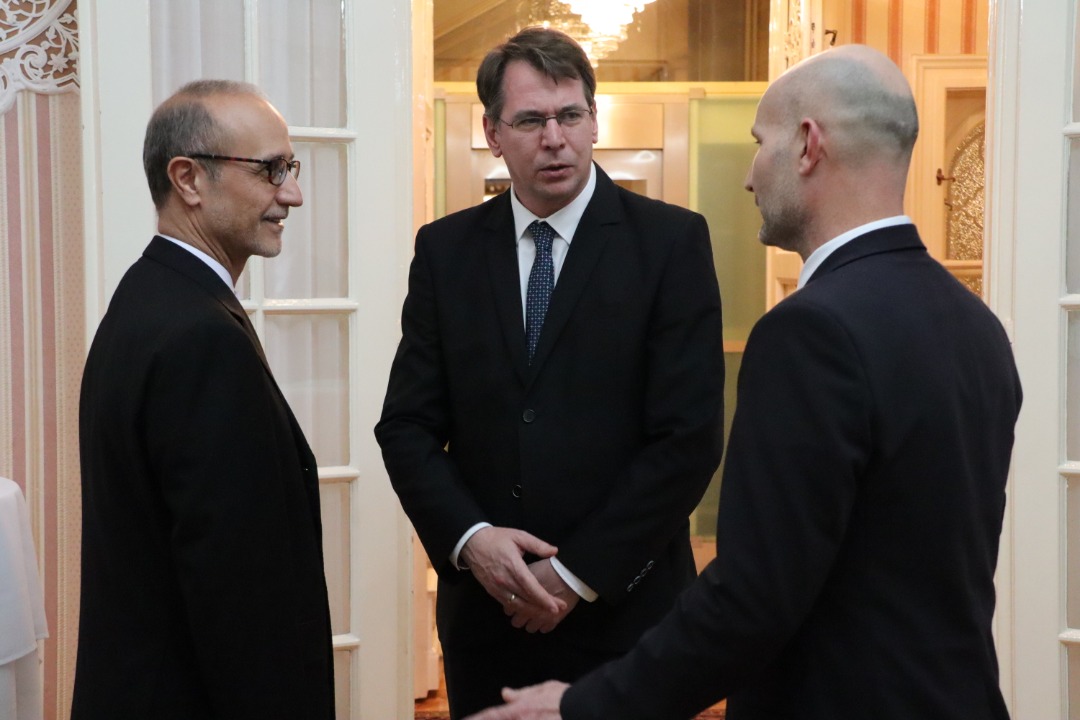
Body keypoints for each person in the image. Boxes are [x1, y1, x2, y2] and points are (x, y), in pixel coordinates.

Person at [465, 43, 1023, 720]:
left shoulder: (811, 331)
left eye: (760, 144)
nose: (750, 177)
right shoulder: (975, 323)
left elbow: (754, 595)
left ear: (808, 146)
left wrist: (583, 705)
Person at [375, 26, 725, 719]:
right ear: (493, 133)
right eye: (531, 120)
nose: (555, 139)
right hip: (489, 621)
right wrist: (472, 542)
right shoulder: (446, 252)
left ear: (594, 120)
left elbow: (688, 439)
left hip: (627, 619)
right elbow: (406, 426)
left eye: (570, 115)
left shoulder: (670, 243)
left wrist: (574, 574)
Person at [72, 80, 335, 720]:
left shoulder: (151, 295)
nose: (292, 194)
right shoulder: (199, 334)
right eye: (270, 170)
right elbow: (239, 596)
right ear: (188, 179)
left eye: (291, 168)